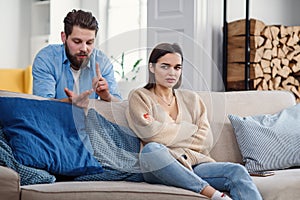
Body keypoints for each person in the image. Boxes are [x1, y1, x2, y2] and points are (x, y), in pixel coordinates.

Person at [125, 43, 263, 200]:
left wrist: (170, 134)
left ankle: (186, 177)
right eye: (165, 66)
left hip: (197, 165)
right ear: (151, 67)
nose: (172, 73)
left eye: (177, 67)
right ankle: (214, 195)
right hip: (162, 166)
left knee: (237, 171)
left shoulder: (193, 99)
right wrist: (189, 129)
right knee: (152, 150)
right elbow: (151, 133)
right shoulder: (140, 96)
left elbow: (206, 140)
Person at [32, 9, 121, 106]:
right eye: (77, 42)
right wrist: (70, 103)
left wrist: (107, 96)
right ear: (64, 37)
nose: (84, 48)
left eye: (89, 42)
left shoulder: (101, 61)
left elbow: (119, 104)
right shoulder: (46, 58)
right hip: (55, 119)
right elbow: (42, 105)